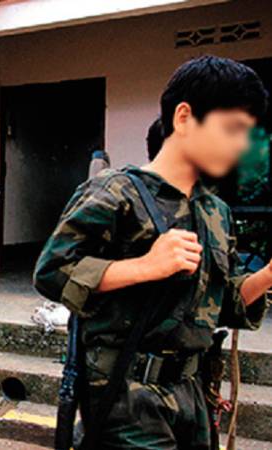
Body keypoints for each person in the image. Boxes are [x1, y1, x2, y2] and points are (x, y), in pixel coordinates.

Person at [34, 55, 270, 449]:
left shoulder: (216, 211)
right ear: (184, 117)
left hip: (194, 393)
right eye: (232, 128)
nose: (241, 145)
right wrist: (145, 266)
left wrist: (267, 276)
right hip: (127, 394)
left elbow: (223, 305)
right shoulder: (116, 191)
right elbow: (51, 272)